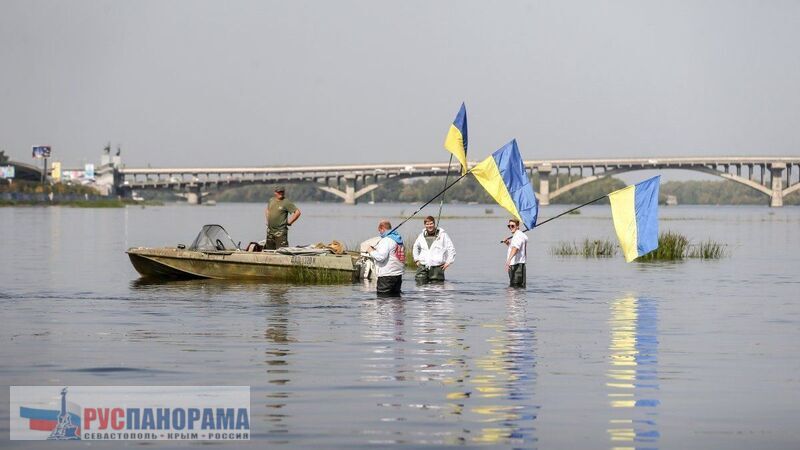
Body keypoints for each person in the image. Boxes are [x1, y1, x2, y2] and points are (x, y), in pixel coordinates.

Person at [412, 216, 456, 283]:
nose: (429, 226)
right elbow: (415, 247)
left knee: (437, 289)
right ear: (425, 225)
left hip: (437, 268)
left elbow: (451, 248)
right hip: (422, 267)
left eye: (431, 224)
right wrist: (416, 260)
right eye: (427, 224)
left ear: (434, 224)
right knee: (420, 287)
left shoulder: (443, 235)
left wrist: (448, 262)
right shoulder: (421, 235)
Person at [368, 219, 405, 296]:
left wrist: (371, 251)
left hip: (386, 276)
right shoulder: (398, 239)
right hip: (398, 276)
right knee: (396, 302)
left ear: (382, 228)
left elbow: (381, 257)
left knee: (383, 299)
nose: (380, 233)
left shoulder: (386, 240)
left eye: (380, 231)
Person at [503, 218, 528, 288]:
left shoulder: (517, 236)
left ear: (517, 226)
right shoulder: (520, 235)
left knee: (514, 287)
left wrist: (508, 261)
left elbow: (515, 249)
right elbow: (517, 248)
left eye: (512, 226)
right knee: (519, 288)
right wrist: (508, 243)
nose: (510, 227)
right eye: (509, 226)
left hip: (516, 266)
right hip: (519, 265)